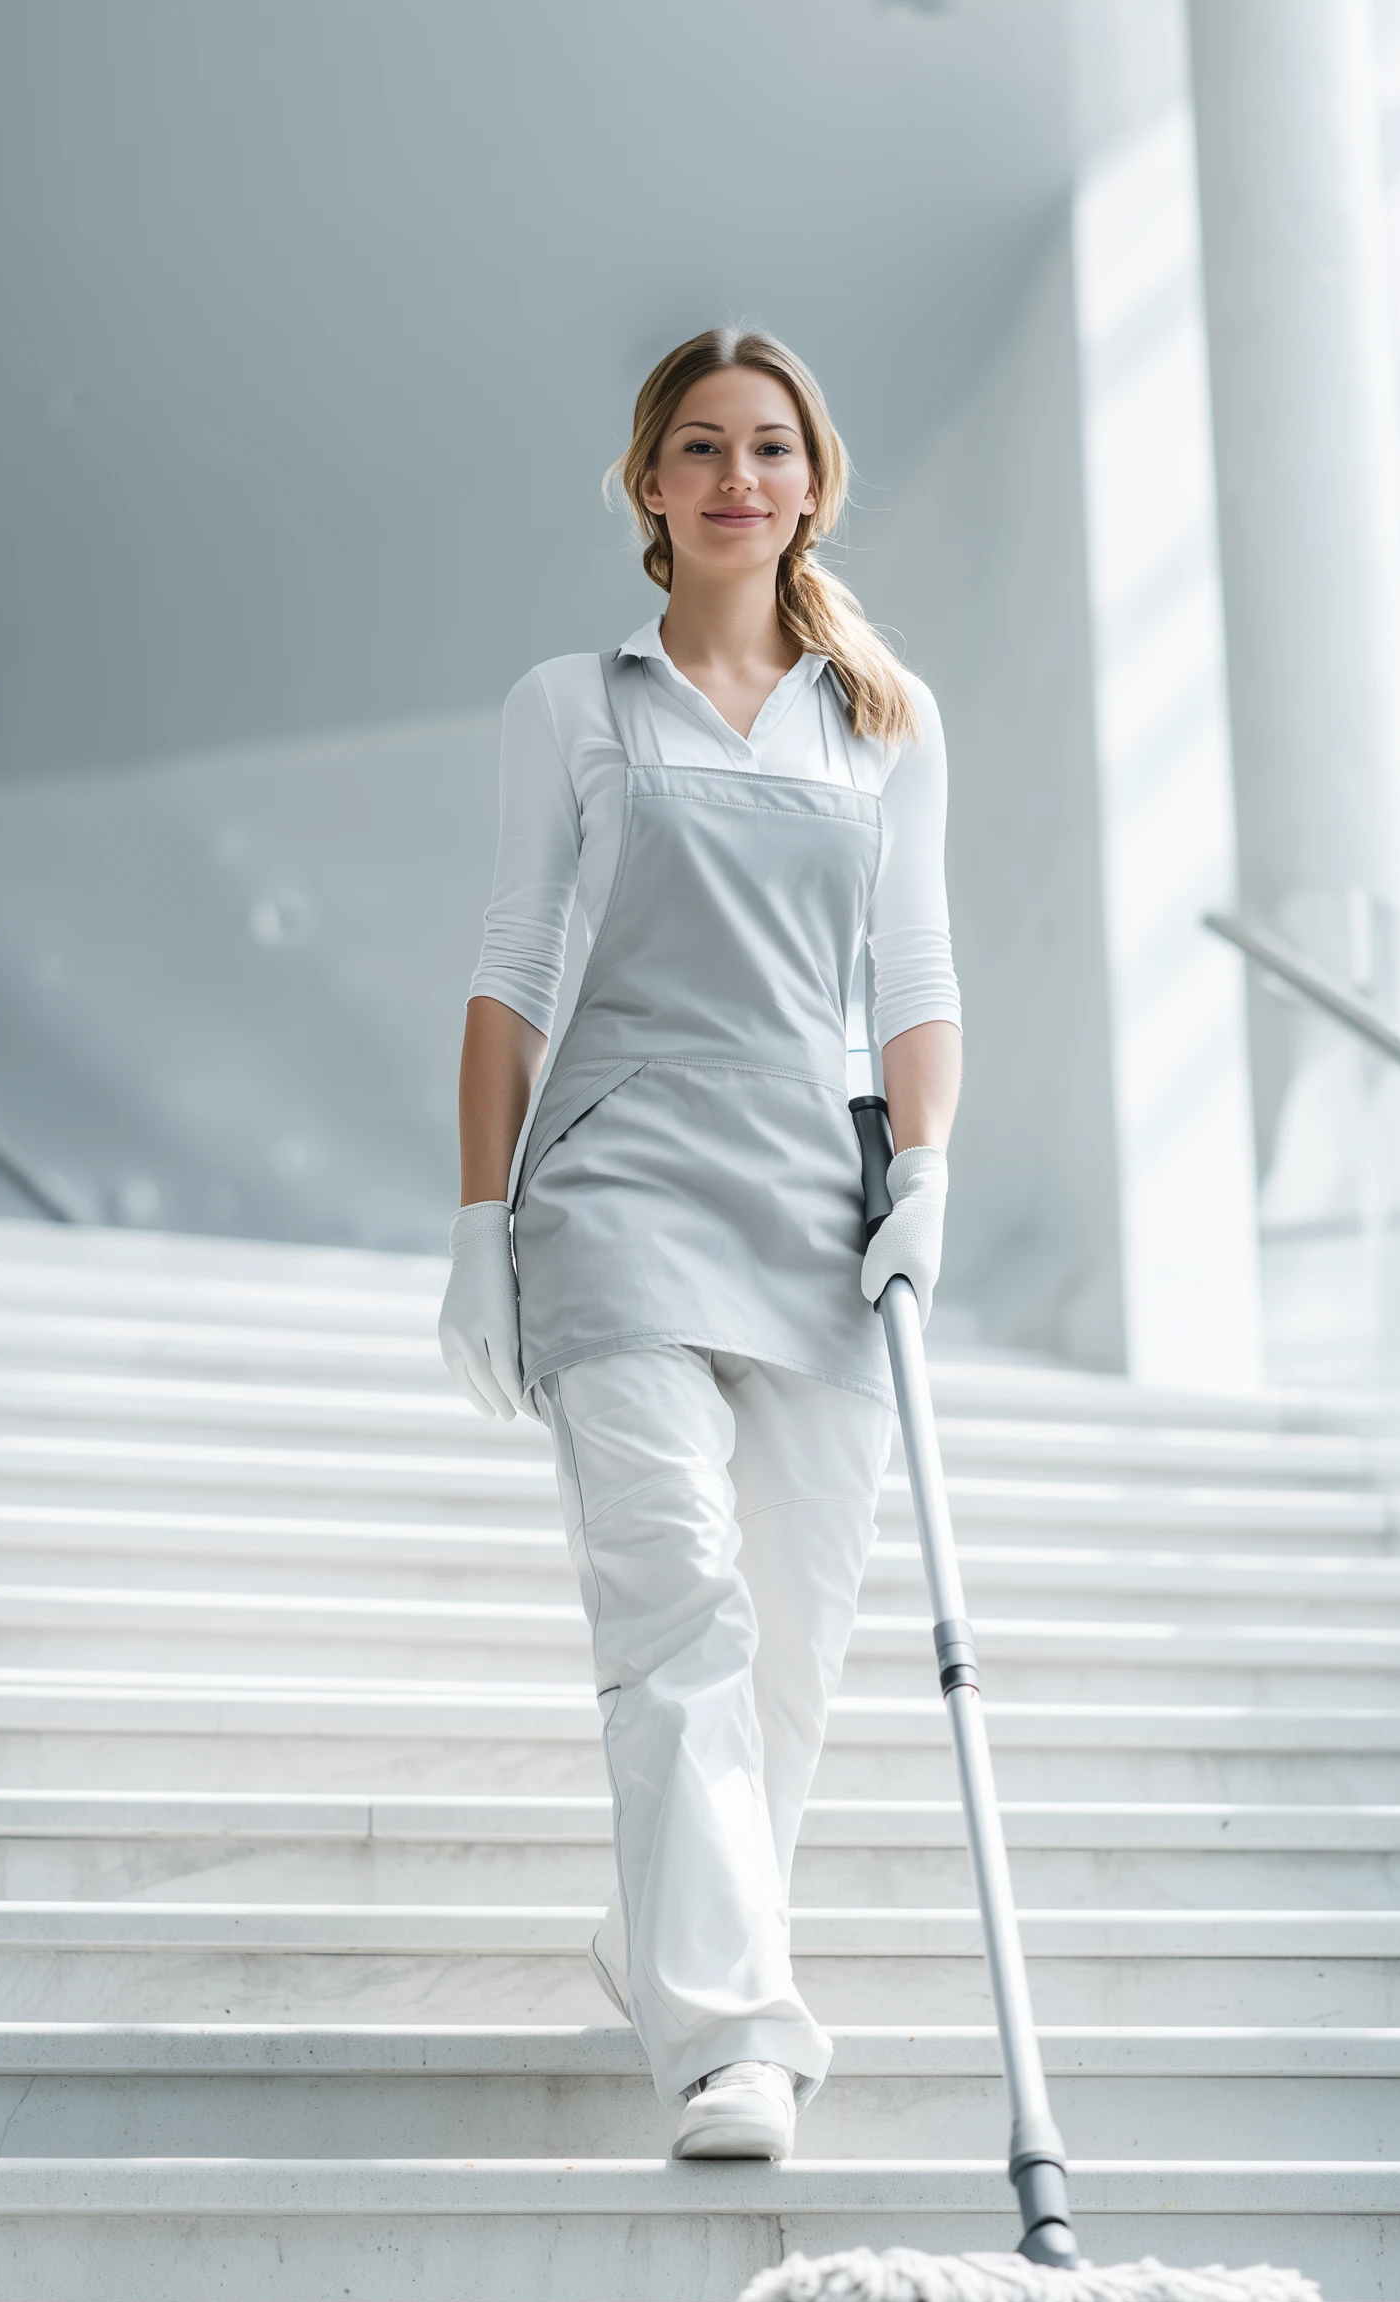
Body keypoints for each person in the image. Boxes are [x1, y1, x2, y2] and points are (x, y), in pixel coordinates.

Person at [438, 326, 961, 2162]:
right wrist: (482, 1219)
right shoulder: (572, 705)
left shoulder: (882, 718)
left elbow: (914, 983)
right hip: (618, 1186)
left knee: (795, 1644)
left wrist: (926, 1178)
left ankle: (657, 1942)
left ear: (810, 481)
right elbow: (511, 971)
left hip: (812, 1206)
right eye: (699, 447)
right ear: (648, 487)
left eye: (770, 447)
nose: (738, 476)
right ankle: (735, 2038)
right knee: (678, 1601)